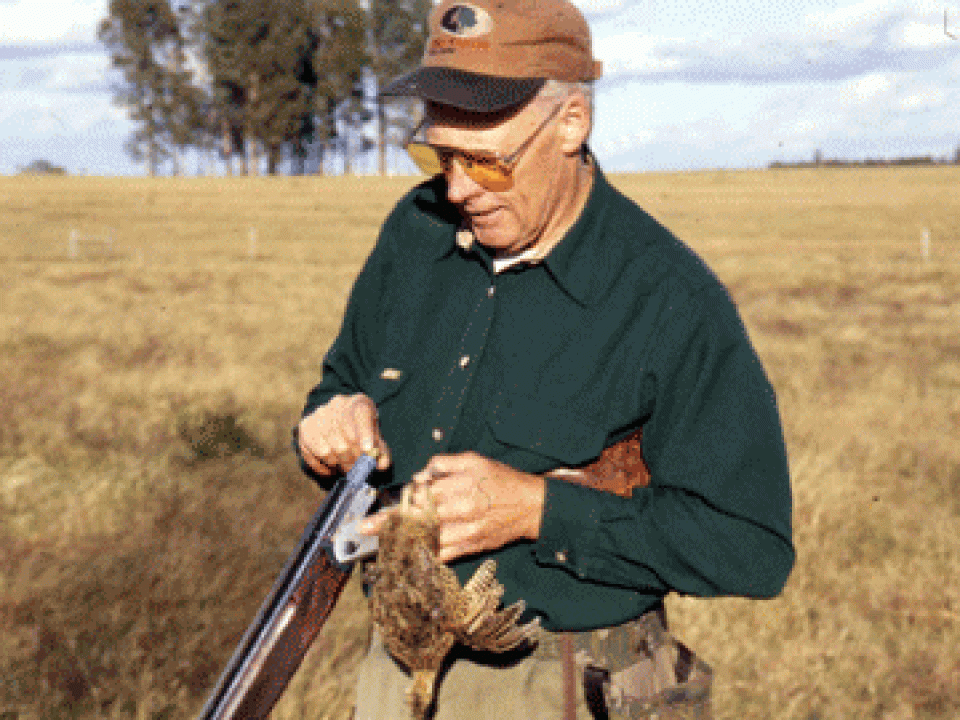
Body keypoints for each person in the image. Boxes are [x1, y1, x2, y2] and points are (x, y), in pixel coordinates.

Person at [295, 0, 795, 717]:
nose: (458, 189)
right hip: (398, 673)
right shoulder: (414, 233)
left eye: (487, 163)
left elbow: (750, 546)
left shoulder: (669, 299)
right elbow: (341, 384)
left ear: (571, 124)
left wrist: (538, 511)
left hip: (563, 684)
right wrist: (324, 425)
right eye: (438, 156)